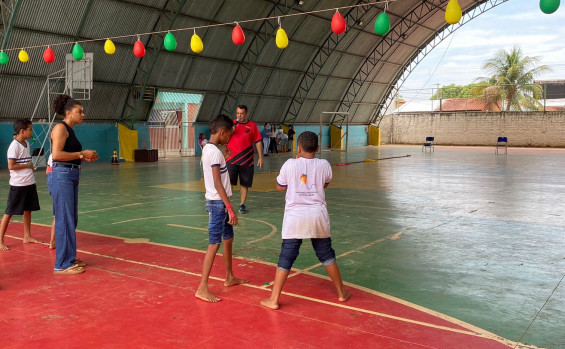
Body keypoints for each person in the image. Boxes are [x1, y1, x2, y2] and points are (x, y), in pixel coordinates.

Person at [261, 131, 350, 310]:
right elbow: (325, 184)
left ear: (298, 148)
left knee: (287, 256)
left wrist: (296, 165)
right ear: (317, 148)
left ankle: (274, 299)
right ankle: (341, 293)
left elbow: (279, 187)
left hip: (295, 218)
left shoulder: (290, 164)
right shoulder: (324, 164)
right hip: (318, 216)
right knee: (326, 254)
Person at [196, 114, 247, 302]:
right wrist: (229, 208)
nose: (229, 139)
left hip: (220, 201)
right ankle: (202, 287)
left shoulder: (209, 149)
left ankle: (229, 276)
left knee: (228, 238)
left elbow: (217, 174)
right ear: (222, 132)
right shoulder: (214, 152)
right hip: (218, 203)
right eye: (228, 136)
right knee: (214, 243)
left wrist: (225, 157)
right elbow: (218, 183)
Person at [50, 94, 99, 274]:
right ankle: (61, 264)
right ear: (69, 112)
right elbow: (56, 155)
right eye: (80, 111)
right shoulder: (60, 129)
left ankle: (69, 258)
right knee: (64, 219)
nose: (83, 114)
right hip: (62, 175)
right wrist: (81, 154)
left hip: (70, 173)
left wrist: (85, 157)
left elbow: (70, 155)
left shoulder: (70, 130)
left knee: (71, 219)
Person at [0, 119, 41, 251]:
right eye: (30, 129)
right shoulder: (14, 146)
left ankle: (27, 236)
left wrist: (30, 166)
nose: (32, 132)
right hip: (18, 185)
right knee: (9, 212)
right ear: (22, 131)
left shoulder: (27, 144)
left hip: (29, 182)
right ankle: (0, 239)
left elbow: (26, 162)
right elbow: (11, 166)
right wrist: (27, 165)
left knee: (28, 209)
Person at [226, 105, 263, 214]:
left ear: (246, 114)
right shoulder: (232, 124)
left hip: (246, 160)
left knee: (245, 184)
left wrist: (260, 157)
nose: (239, 115)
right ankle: (228, 204)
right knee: (229, 183)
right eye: (237, 113)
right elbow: (225, 136)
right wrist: (232, 127)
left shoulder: (252, 126)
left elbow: (258, 142)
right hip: (231, 159)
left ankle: (242, 204)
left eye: (241, 113)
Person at [45, 154, 56, 249]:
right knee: (59, 214)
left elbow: (47, 171)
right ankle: (52, 241)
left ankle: (53, 241)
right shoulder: (58, 154)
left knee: (59, 214)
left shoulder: (51, 155)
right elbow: (48, 171)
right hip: (56, 181)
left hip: (52, 181)